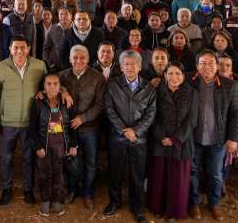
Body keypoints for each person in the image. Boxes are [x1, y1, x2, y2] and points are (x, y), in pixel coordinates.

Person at [0, 35, 48, 206]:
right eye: (15, 47)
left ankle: (28, 190)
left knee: (28, 158)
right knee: (6, 158)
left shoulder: (39, 65)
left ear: (29, 48)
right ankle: (7, 189)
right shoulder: (0, 68)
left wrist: (43, 93)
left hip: (30, 123)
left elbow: (49, 85)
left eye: (23, 47)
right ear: (9, 49)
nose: (19, 51)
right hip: (7, 122)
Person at [188, 50, 238, 221]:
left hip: (217, 138)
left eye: (211, 62)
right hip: (193, 138)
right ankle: (194, 203)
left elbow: (237, 113)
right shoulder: (189, 82)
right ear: (197, 66)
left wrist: (233, 138)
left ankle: (215, 204)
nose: (207, 66)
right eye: (203, 63)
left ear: (217, 65)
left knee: (216, 174)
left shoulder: (230, 85)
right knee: (193, 172)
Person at [103, 50, 156, 222]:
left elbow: (150, 114)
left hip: (139, 139)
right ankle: (115, 201)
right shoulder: (112, 84)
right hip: (118, 137)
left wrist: (136, 131)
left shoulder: (149, 88)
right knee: (115, 172)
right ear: (121, 66)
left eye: (133, 63)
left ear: (140, 66)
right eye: (126, 63)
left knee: (137, 174)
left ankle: (137, 206)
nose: (129, 67)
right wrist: (124, 130)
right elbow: (109, 111)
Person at [148, 61, 199, 221]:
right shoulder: (156, 91)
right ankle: (158, 207)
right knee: (159, 176)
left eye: (178, 74)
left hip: (181, 140)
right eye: (170, 73)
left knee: (178, 180)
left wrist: (176, 138)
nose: (174, 77)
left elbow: (192, 120)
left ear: (183, 76)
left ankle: (174, 211)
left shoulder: (192, 93)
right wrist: (160, 136)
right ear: (164, 75)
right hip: (160, 138)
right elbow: (151, 116)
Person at [58, 45, 106, 209]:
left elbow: (100, 105)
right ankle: (72, 190)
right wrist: (62, 90)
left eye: (82, 58)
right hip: (68, 128)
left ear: (88, 59)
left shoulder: (98, 77)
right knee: (71, 161)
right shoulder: (62, 75)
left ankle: (87, 192)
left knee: (91, 163)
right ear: (70, 59)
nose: (78, 61)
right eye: (75, 57)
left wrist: (83, 118)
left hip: (90, 128)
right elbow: (50, 85)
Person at [28, 74, 78, 217]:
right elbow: (32, 128)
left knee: (59, 174)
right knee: (44, 174)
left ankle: (56, 200)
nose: (52, 87)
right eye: (48, 84)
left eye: (55, 84)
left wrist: (73, 145)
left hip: (60, 145)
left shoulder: (65, 101)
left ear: (60, 86)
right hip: (44, 145)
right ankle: (45, 200)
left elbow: (72, 125)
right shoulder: (37, 102)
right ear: (43, 86)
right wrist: (38, 147)